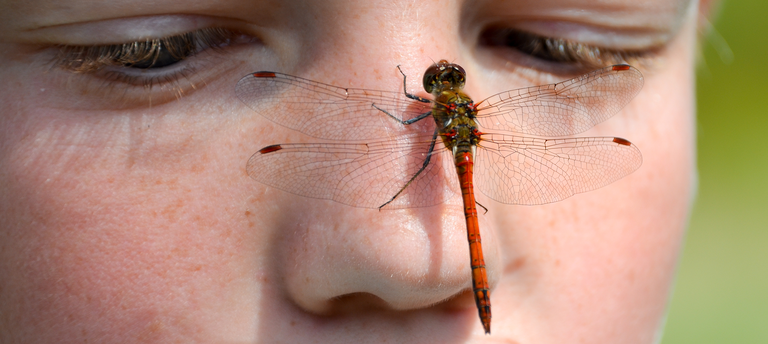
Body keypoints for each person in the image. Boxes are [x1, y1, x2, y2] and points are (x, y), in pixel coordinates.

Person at [0, 0, 710, 342]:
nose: (403, 260)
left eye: (556, 47)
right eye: (154, 50)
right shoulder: (440, 113)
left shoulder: (428, 114)